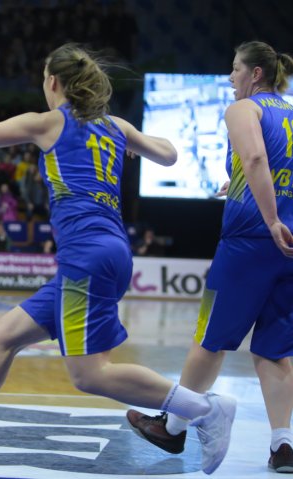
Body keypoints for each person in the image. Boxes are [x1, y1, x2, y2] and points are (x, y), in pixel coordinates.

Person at [0, 43, 237, 475]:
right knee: (5, 335)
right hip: (106, 251)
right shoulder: (113, 124)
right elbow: (168, 153)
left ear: (53, 81)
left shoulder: (48, 122)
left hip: (88, 256)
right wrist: (132, 142)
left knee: (89, 375)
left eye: (43, 76)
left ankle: (204, 408)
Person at [127, 41, 293, 473]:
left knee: (208, 337)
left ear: (255, 74)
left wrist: (271, 218)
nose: (229, 76)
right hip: (290, 248)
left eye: (235, 68)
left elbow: (255, 157)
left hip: (248, 242)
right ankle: (283, 445)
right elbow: (266, 167)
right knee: (275, 351)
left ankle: (174, 427)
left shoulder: (243, 110)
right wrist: (240, 185)